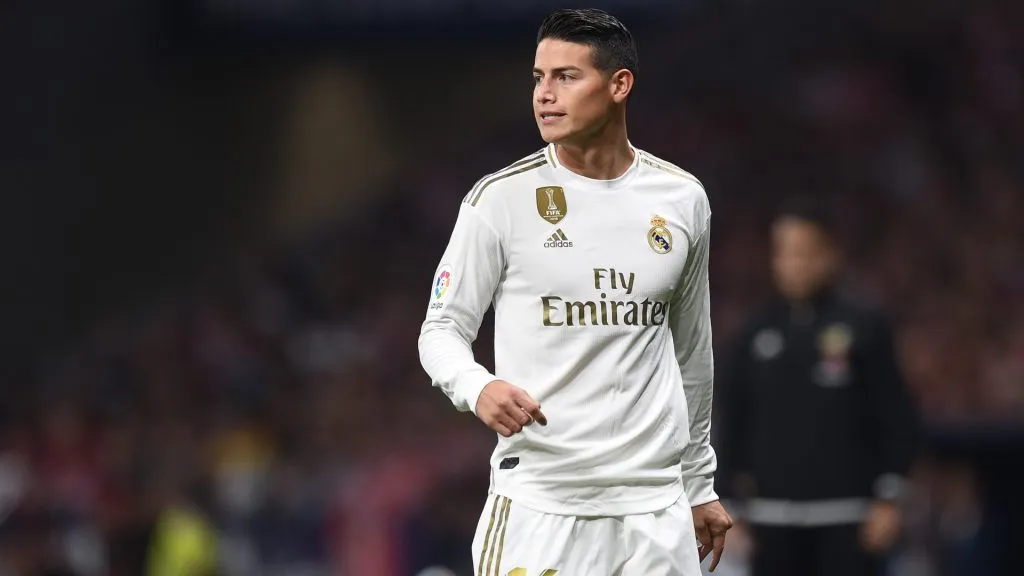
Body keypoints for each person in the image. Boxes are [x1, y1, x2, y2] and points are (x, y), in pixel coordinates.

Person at [418, 8, 732, 576]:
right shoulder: (499, 201)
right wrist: (477, 385)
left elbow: (693, 354)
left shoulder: (683, 200)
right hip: (544, 501)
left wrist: (698, 482)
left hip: (653, 509)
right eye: (538, 77)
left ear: (619, 85)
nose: (544, 94)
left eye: (566, 76)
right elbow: (440, 330)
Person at [716, 197, 919, 576]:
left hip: (850, 520)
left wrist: (890, 498)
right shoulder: (752, 334)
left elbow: (896, 416)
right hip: (770, 521)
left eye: (806, 252)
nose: (795, 263)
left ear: (830, 255)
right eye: (786, 252)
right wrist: (727, 501)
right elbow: (732, 421)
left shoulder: (865, 328)